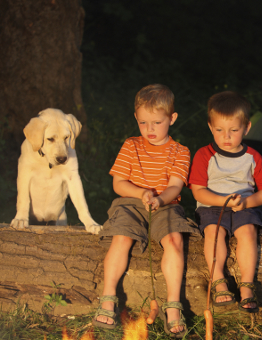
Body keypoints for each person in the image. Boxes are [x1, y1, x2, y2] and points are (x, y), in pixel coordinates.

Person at [93, 84, 199, 337]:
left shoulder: (180, 151)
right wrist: (140, 193)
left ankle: (173, 306)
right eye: (143, 123)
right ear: (135, 119)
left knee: (174, 240)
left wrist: (161, 199)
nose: (149, 129)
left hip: (166, 205)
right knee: (121, 238)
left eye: (156, 122)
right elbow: (118, 184)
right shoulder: (131, 146)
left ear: (172, 118)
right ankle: (108, 298)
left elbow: (175, 186)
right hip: (131, 203)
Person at [188, 91, 262, 313]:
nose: (226, 136)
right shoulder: (204, 155)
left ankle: (247, 286)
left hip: (244, 204)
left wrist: (246, 203)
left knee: (247, 232)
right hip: (212, 204)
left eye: (234, 131)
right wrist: (221, 201)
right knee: (213, 233)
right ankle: (218, 281)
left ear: (246, 128)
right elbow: (198, 191)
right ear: (210, 127)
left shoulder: (252, 157)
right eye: (219, 130)